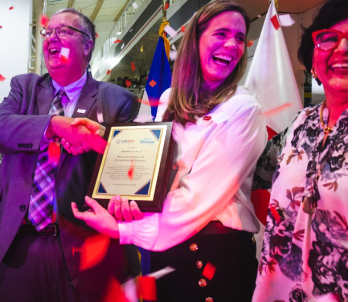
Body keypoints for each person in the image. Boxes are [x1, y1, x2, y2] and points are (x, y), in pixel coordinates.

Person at [72, 2, 265, 301]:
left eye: (240, 38)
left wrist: (126, 231)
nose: (232, 44)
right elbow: (148, 155)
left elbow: (197, 197)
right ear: (195, 40)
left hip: (214, 255)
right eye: (222, 33)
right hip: (166, 250)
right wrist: (102, 137)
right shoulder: (168, 98)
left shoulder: (243, 108)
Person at [0, 8, 141, 300]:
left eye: (64, 31)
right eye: (47, 32)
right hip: (22, 247)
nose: (51, 38)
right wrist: (55, 126)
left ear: (88, 44)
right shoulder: (25, 88)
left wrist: (97, 139)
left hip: (87, 250)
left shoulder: (118, 100)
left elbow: (129, 164)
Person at [253, 0, 347, 300]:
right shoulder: (300, 123)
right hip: (280, 289)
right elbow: (259, 175)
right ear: (312, 58)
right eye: (329, 38)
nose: (342, 49)